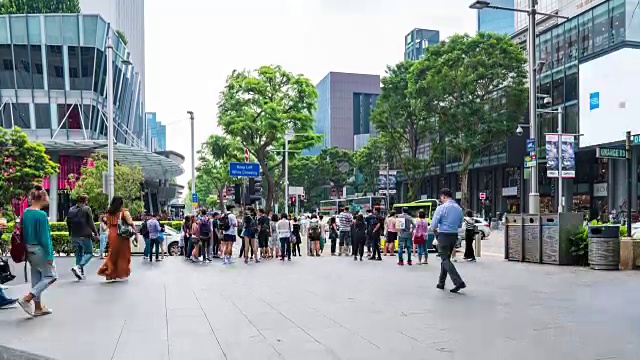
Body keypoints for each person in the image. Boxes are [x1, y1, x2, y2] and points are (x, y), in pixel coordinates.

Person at [17, 185, 57, 317]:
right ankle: (27, 298)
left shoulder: (26, 212)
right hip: (40, 250)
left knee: (36, 277)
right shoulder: (41, 215)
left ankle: (38, 308)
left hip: (29, 249)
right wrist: (50, 255)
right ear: (43, 197)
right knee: (51, 276)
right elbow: (45, 238)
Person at [430, 188, 466, 293]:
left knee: (444, 258)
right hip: (453, 235)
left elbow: (434, 224)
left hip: (443, 235)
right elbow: (460, 224)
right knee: (446, 259)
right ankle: (441, 283)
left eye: (441, 198)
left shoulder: (441, 208)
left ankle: (458, 281)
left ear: (444, 196)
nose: (441, 200)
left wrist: (434, 229)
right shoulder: (459, 209)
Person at [97, 196, 135, 281]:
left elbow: (107, 224)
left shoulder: (109, 213)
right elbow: (130, 222)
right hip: (121, 234)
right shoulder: (124, 212)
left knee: (112, 254)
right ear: (121, 203)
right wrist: (135, 232)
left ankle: (109, 273)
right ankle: (121, 273)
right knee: (123, 254)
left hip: (112, 233)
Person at [67, 194, 99, 280]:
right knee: (89, 253)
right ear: (85, 201)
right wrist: (96, 233)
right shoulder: (87, 209)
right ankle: (79, 267)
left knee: (79, 253)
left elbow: (68, 223)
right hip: (84, 235)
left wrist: (70, 234)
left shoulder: (71, 209)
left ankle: (80, 273)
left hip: (74, 235)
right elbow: (91, 222)